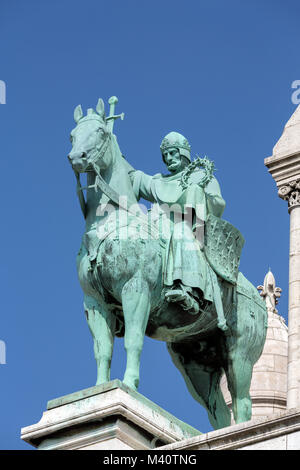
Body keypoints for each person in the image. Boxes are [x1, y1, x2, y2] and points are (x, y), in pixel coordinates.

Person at [129, 131, 226, 314]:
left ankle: (189, 289)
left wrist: (203, 196)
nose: (168, 158)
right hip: (162, 228)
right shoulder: (160, 181)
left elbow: (218, 205)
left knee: (181, 231)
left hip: (192, 231)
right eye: (165, 155)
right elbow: (136, 178)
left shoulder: (201, 177)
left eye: (173, 153)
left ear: (183, 153)